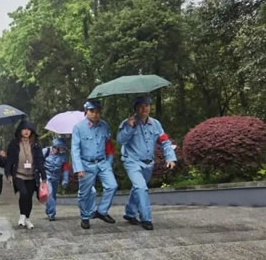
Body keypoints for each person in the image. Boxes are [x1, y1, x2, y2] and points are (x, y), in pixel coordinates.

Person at [117, 96, 177, 230]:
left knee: (138, 188)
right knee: (141, 188)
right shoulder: (127, 123)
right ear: (136, 108)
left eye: (147, 106)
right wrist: (129, 127)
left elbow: (164, 141)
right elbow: (120, 140)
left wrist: (170, 157)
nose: (144, 109)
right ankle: (146, 219)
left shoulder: (155, 124)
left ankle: (130, 213)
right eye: (141, 106)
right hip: (132, 161)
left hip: (148, 163)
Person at [71, 101, 118, 230]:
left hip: (103, 162)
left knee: (112, 185)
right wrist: (79, 168)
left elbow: (109, 146)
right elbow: (75, 149)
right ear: (86, 111)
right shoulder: (78, 128)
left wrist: (109, 162)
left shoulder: (105, 126)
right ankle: (85, 217)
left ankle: (101, 211)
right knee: (84, 193)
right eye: (92, 111)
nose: (95, 114)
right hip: (86, 164)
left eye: (98, 111)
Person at [5, 121, 46, 230]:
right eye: (24, 129)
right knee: (23, 193)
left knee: (29, 197)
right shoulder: (14, 143)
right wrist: (8, 173)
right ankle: (22, 215)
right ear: (20, 131)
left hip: (32, 176)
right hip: (18, 175)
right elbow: (9, 160)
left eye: (29, 129)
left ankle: (27, 219)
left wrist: (44, 177)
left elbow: (40, 161)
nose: (26, 131)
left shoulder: (36, 144)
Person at [44, 138, 70, 221]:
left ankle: (48, 210)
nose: (64, 150)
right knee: (50, 193)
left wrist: (65, 180)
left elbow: (65, 169)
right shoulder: (46, 151)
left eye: (64, 148)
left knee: (53, 196)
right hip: (46, 175)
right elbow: (38, 161)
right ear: (57, 147)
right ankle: (52, 214)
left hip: (56, 177)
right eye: (62, 148)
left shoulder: (64, 156)